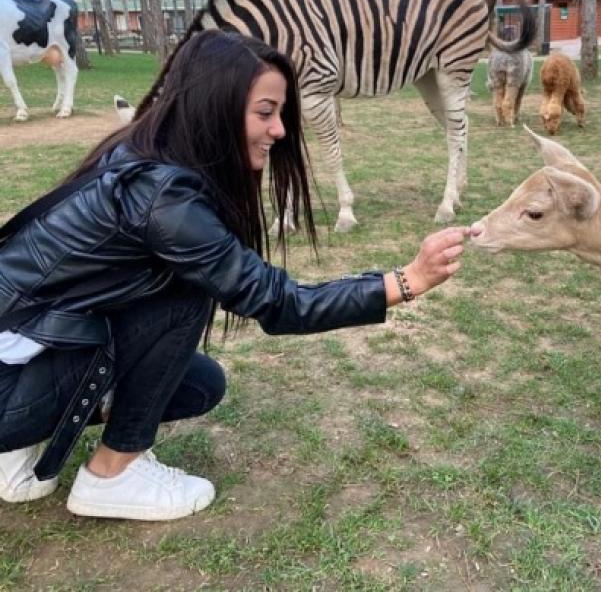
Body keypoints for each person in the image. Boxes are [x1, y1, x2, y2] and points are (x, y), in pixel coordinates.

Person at [0, 30, 469, 521]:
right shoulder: (167, 202)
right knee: (182, 293)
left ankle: (21, 442)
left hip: (24, 355)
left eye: (280, 114)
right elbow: (278, 302)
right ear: (215, 107)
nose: (280, 130)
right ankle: (112, 474)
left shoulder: (141, 155)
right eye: (265, 113)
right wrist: (407, 279)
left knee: (199, 386)